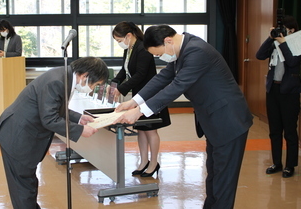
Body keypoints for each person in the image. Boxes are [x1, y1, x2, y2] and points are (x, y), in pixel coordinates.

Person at [114, 25, 253, 209]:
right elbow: (163, 78)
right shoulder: (183, 49)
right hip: (214, 121)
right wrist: (134, 102)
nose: (159, 58)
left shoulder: (196, 51)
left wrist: (140, 111)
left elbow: (177, 86)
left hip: (228, 120)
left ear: (168, 41)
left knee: (223, 181)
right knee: (214, 175)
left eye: (158, 54)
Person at [0, 57, 109, 209]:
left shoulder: (63, 76)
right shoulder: (58, 81)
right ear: (85, 76)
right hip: (18, 136)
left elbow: (54, 107)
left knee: (26, 184)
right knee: (23, 187)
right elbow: (49, 119)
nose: (93, 88)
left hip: (22, 133)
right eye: (96, 84)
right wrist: (81, 130)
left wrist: (79, 118)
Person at [110, 21, 170, 177]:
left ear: (128, 36)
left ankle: (154, 162)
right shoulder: (129, 49)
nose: (119, 43)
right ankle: (143, 161)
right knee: (141, 130)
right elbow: (125, 70)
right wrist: (115, 83)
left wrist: (122, 89)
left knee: (150, 130)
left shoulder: (143, 48)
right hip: (138, 94)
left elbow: (140, 74)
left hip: (149, 94)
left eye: (119, 40)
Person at [256, 15, 300, 178]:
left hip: (290, 92)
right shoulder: (274, 43)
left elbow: (292, 62)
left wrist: (284, 43)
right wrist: (270, 39)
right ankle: (277, 162)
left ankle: (290, 165)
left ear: (292, 30)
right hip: (273, 90)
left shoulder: (297, 43)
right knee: (274, 130)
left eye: (285, 30)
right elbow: (259, 55)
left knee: (289, 130)